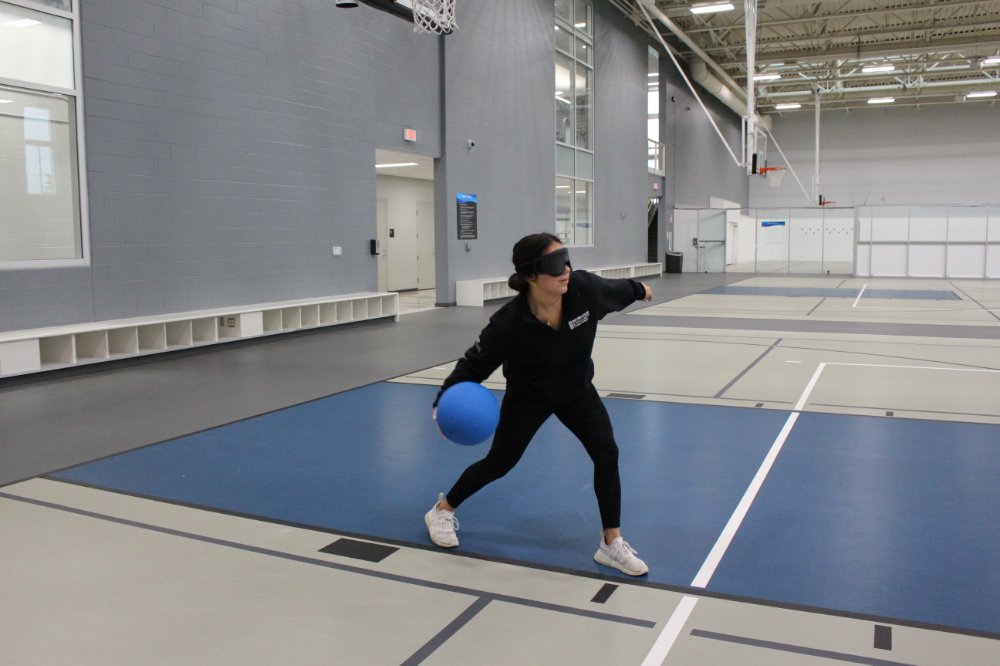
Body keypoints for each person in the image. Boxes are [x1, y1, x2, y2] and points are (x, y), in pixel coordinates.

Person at [424, 232, 653, 576]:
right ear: (531, 274)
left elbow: (621, 288)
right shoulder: (507, 325)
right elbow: (474, 364)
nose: (566, 269)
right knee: (500, 463)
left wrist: (640, 289)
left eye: (566, 258)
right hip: (529, 396)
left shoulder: (584, 291)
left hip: (576, 389)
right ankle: (442, 509)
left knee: (607, 452)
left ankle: (611, 543)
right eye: (554, 263)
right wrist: (443, 403)